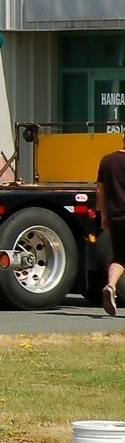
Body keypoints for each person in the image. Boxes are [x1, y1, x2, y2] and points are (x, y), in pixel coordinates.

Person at [97, 132, 125, 316]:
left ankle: (111, 285)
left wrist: (103, 215)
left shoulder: (107, 161)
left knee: (119, 258)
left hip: (116, 217)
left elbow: (100, 190)